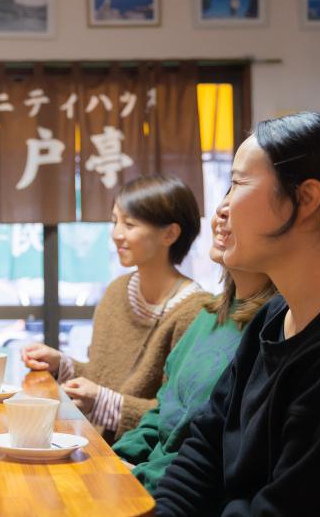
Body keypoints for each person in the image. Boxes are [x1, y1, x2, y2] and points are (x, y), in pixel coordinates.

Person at [155, 112, 320, 516]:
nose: (222, 208)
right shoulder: (275, 314)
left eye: (239, 183)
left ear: (306, 199)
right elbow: (204, 448)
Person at [22, 175, 212, 442]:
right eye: (114, 222)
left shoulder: (195, 311)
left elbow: (178, 415)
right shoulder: (116, 292)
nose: (116, 234)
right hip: (94, 443)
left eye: (130, 224)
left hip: (139, 461)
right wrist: (60, 363)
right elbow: (100, 377)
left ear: (170, 234)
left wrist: (101, 401)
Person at [112, 207, 276, 494]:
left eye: (240, 190)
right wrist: (117, 459)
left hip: (179, 493)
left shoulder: (273, 329)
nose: (224, 210)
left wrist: (138, 475)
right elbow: (164, 408)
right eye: (227, 195)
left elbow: (219, 450)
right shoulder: (208, 313)